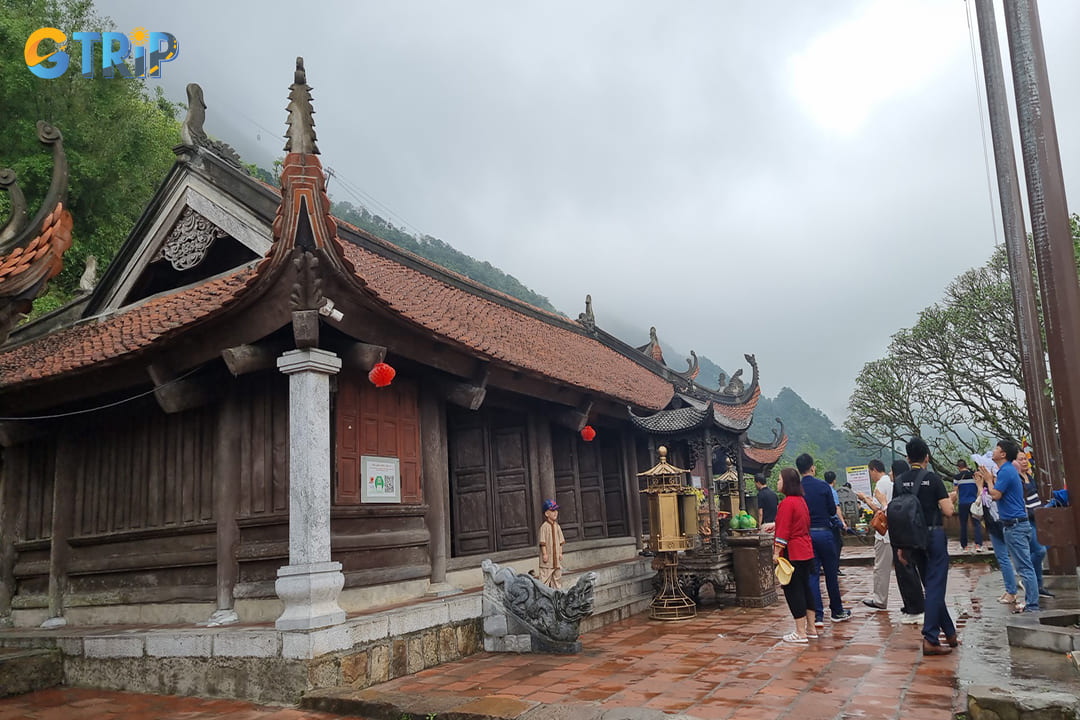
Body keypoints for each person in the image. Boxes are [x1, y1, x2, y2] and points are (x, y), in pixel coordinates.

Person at [894, 437, 956, 655]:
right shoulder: (933, 479)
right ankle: (930, 638)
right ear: (927, 457)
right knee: (935, 587)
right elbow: (948, 511)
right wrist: (952, 498)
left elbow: (898, 517)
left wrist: (901, 548)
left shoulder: (899, 482)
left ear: (908, 457)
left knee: (931, 587)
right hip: (934, 536)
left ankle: (949, 632)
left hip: (912, 540)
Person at [975, 439, 1039, 612]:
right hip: (1017, 524)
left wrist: (988, 480)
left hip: (1015, 525)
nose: (993, 451)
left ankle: (1033, 605)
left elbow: (995, 494)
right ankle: (1031, 602)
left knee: (1024, 567)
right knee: (1024, 566)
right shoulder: (1009, 470)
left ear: (1003, 454)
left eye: (996, 449)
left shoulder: (1005, 471)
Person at [798, 453, 851, 627]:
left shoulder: (797, 489)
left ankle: (817, 616)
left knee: (813, 576)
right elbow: (831, 510)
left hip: (807, 535)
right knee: (831, 574)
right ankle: (837, 611)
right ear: (812, 467)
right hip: (825, 533)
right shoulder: (823, 486)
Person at [772, 467, 817, 643]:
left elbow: (784, 530)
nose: (777, 482)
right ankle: (811, 628)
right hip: (806, 549)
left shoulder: (786, 503)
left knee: (793, 590)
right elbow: (799, 524)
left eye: (779, 479)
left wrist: (776, 552)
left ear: (787, 482)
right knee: (806, 588)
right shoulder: (800, 501)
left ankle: (800, 632)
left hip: (793, 551)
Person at [886, 459, 924, 624]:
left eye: (891, 471)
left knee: (906, 572)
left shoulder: (899, 487)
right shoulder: (917, 482)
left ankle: (915, 608)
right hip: (917, 533)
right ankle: (914, 606)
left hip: (903, 536)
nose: (890, 474)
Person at [856, 459, 892, 610]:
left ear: (874, 470)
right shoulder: (891, 482)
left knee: (881, 568)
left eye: (870, 472)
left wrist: (865, 498)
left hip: (884, 534)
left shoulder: (881, 484)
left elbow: (879, 509)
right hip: (894, 531)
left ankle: (879, 599)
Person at [1017, 454, 1053, 599]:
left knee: (1044, 547)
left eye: (1025, 459)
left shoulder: (1029, 477)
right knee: (1039, 551)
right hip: (1028, 520)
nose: (1025, 461)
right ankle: (1026, 575)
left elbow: (1035, 499)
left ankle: (1038, 585)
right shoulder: (1017, 480)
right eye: (1021, 459)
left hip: (1037, 518)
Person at [953, 460, 983, 553]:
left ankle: (964, 546)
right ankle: (978, 545)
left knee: (963, 525)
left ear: (958, 467)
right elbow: (979, 488)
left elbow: (955, 492)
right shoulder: (974, 475)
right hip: (973, 503)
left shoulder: (957, 477)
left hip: (962, 503)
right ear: (966, 465)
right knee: (977, 524)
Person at [824, 471, 849, 574]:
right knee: (837, 544)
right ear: (834, 480)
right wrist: (842, 522)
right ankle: (835, 567)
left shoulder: (823, 489)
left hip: (825, 522)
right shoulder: (832, 492)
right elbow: (836, 507)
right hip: (833, 522)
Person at [537, 499, 565, 589]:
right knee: (545, 577)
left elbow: (561, 542)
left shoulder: (557, 526)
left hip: (556, 559)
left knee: (557, 576)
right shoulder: (544, 527)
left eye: (556, 510)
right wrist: (544, 554)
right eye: (552, 511)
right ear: (546, 514)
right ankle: (543, 593)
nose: (555, 513)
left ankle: (557, 593)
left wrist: (560, 553)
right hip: (548, 560)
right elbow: (543, 542)